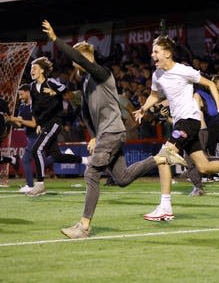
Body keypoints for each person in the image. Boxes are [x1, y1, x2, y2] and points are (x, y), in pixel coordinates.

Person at [39, 21, 185, 239]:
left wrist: (55, 39)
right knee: (122, 178)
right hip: (107, 133)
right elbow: (86, 114)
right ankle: (161, 158)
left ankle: (83, 226)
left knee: (91, 174)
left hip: (113, 132)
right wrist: (95, 135)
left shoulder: (101, 73)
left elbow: (79, 58)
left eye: (75, 59)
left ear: (86, 59)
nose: (73, 62)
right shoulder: (87, 82)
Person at [134, 34, 219, 221]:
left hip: (190, 120)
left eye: (156, 51)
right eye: (153, 51)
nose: (152, 55)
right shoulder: (157, 75)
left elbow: (210, 83)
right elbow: (154, 96)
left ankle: (165, 206)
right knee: (204, 167)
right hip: (180, 122)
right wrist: (143, 109)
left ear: (168, 53)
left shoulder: (183, 70)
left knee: (163, 156)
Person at [26, 55, 87, 197]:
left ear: (42, 70)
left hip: (55, 121)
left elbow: (67, 91)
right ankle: (86, 160)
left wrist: (56, 92)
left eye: (34, 68)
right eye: (31, 68)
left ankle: (40, 184)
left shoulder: (51, 82)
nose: (32, 71)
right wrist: (39, 124)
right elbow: (34, 108)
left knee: (36, 149)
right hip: (45, 123)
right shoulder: (31, 87)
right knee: (57, 156)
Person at [5, 84, 38, 192]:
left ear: (28, 92)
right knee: (40, 161)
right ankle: (64, 155)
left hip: (38, 136)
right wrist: (10, 120)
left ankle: (30, 185)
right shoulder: (22, 106)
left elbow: (33, 124)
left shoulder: (36, 104)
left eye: (21, 94)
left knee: (25, 159)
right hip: (30, 137)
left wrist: (15, 118)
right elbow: (19, 124)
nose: (20, 97)